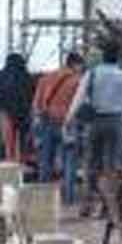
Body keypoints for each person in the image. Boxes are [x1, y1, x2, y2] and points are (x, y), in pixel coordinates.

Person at [66, 41, 122, 217]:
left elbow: (79, 98)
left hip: (95, 122)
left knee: (91, 164)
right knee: (113, 166)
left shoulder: (92, 74)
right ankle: (110, 207)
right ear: (117, 57)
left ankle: (87, 205)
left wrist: (69, 118)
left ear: (103, 57)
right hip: (116, 122)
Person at [33, 52, 85, 183]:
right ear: (76, 64)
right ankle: (68, 193)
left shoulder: (46, 78)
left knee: (46, 159)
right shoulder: (78, 81)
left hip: (47, 121)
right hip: (68, 124)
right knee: (69, 160)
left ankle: (43, 190)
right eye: (81, 66)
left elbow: (36, 103)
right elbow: (81, 104)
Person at [0, 53, 33, 162]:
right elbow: (31, 94)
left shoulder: (1, 76)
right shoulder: (26, 76)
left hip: (5, 112)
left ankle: (10, 160)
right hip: (23, 113)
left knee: (9, 139)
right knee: (22, 139)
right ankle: (21, 159)